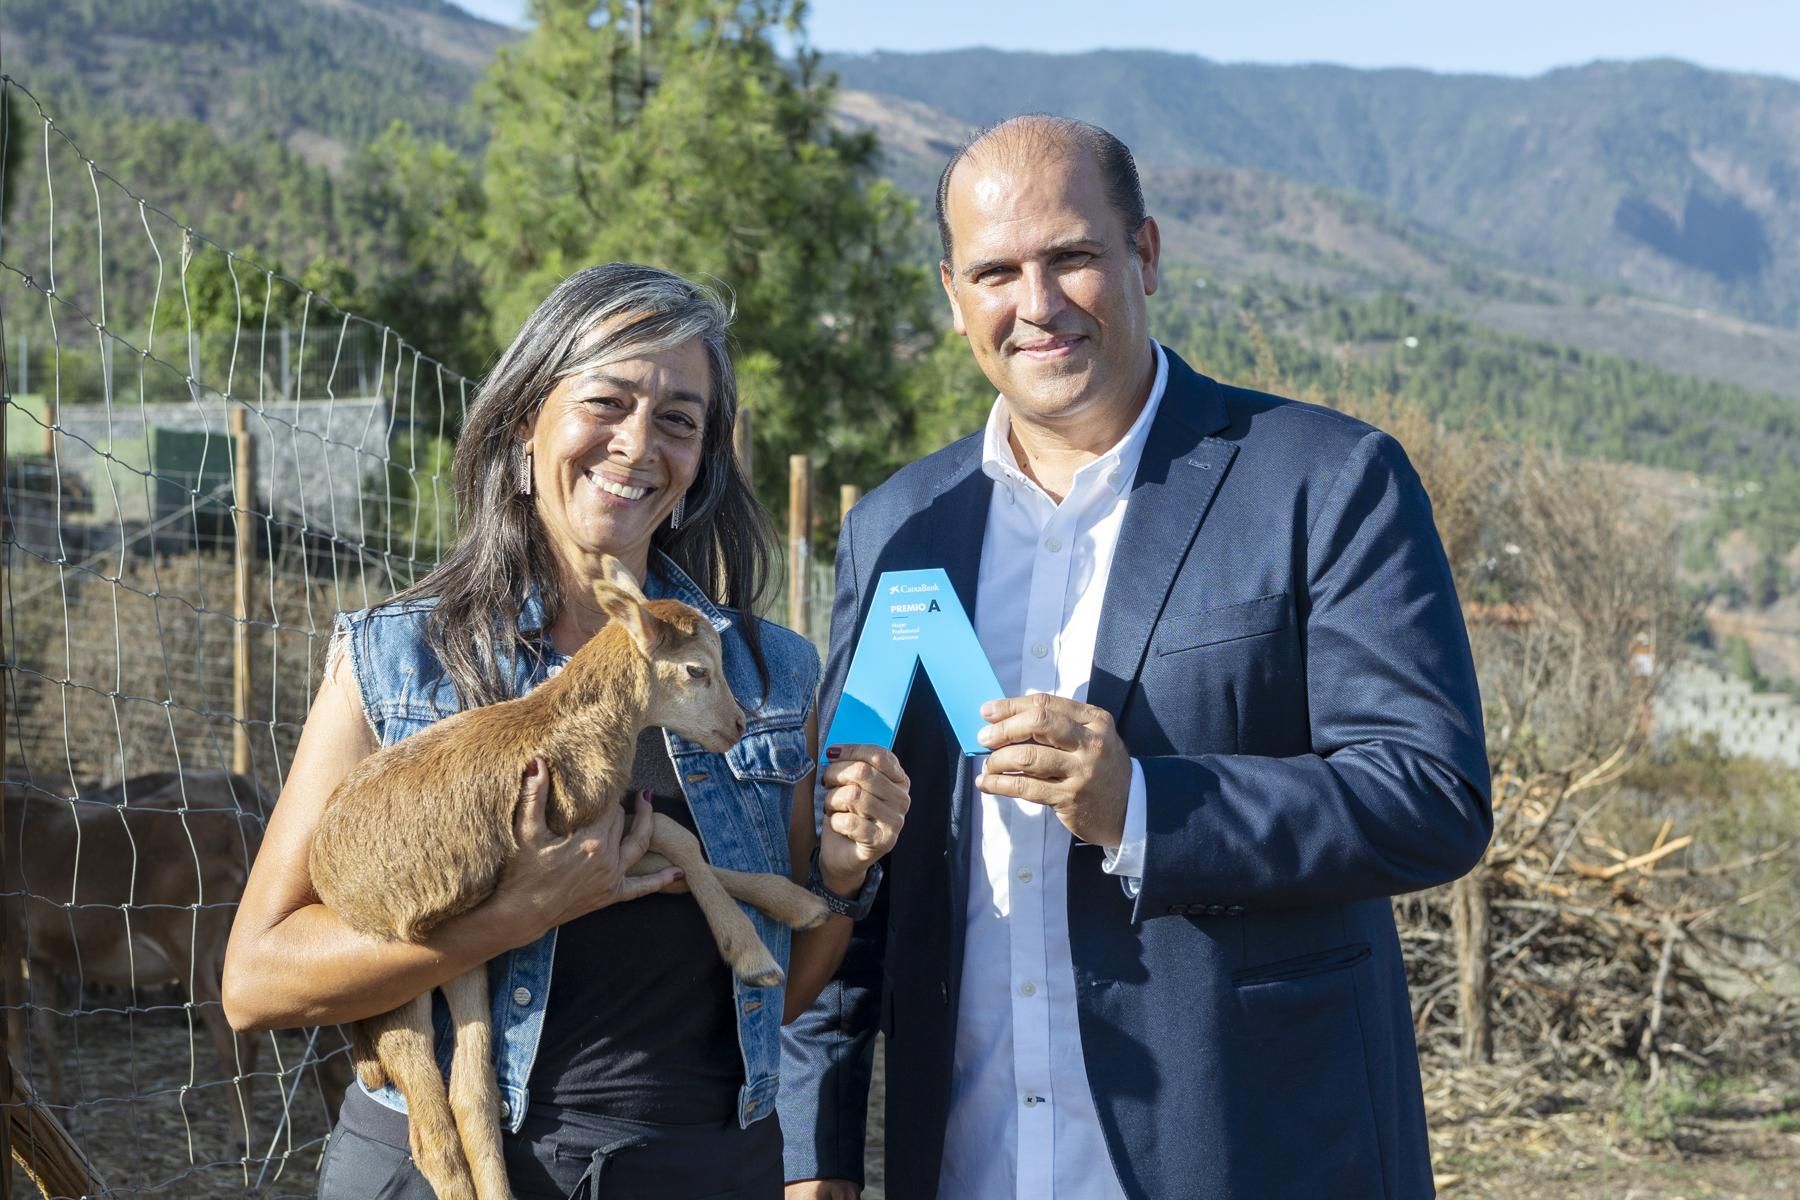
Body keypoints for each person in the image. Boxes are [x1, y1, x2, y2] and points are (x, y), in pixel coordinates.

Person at [778, 116, 1492, 1199]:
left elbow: (1431, 795)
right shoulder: (898, 529)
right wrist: (814, 1155)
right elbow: (855, 850)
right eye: (996, 272)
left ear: (1144, 253)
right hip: (974, 1163)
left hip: (1257, 1152)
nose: (1038, 304)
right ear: (952, 293)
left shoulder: (1327, 481)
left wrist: (1145, 805)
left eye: (1071, 257)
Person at [222, 263, 909, 1200]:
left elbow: (780, 987)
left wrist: (843, 874)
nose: (637, 443)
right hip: (448, 1168)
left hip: (696, 1166)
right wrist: (513, 916)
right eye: (608, 399)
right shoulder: (400, 659)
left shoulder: (768, 672)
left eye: (679, 418)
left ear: (703, 459)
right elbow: (257, 981)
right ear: (523, 426)